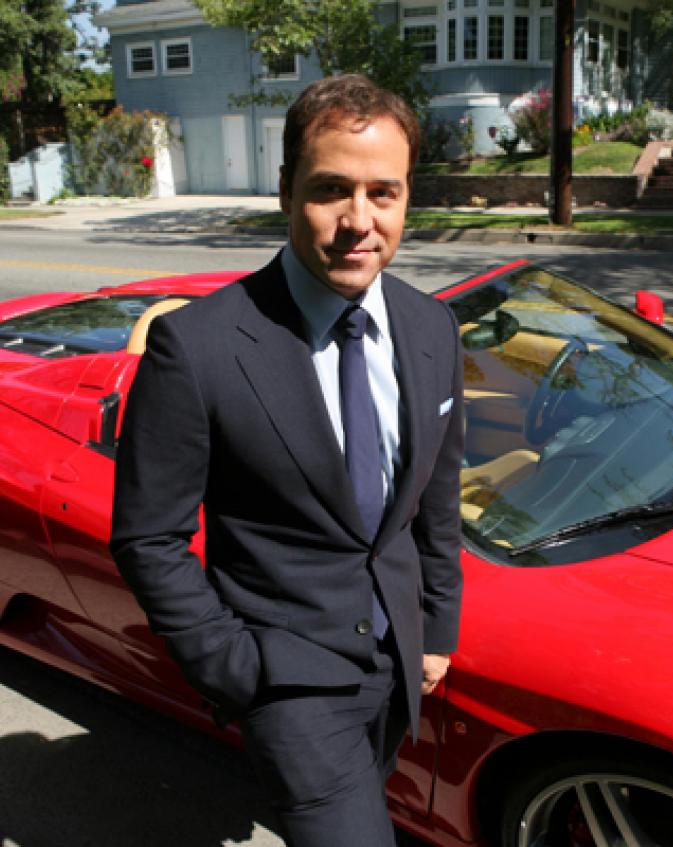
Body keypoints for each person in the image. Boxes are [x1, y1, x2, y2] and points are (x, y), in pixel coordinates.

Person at [110, 74, 464, 847]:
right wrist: (234, 669)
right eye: (331, 189)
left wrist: (437, 627)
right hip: (285, 675)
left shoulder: (431, 327)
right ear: (285, 190)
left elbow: (434, 496)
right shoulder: (196, 346)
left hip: (398, 660)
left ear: (407, 196)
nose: (359, 221)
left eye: (383, 192)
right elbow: (148, 536)